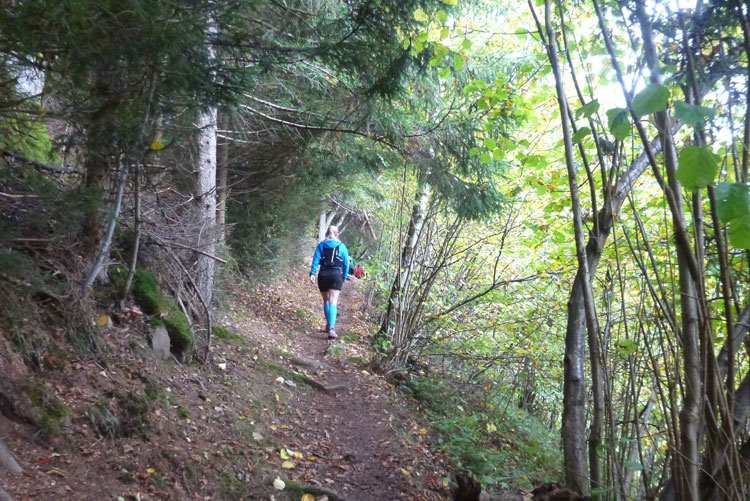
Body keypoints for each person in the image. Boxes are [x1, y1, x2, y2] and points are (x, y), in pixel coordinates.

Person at [309, 225, 349, 339]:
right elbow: (346, 263)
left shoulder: (321, 245)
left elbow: (316, 259)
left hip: (323, 275)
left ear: (327, 233)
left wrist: (312, 273)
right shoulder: (342, 246)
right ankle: (331, 329)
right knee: (333, 301)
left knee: (326, 300)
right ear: (337, 234)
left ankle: (328, 325)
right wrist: (344, 276)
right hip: (336, 275)